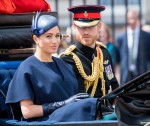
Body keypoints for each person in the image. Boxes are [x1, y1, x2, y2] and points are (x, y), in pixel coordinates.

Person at [5, 12, 101, 122]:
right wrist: (62, 104)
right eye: (48, 36)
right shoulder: (27, 68)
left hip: (70, 118)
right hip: (45, 121)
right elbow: (27, 112)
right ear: (36, 39)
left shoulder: (64, 65)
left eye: (57, 36)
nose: (55, 41)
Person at [60, 5, 119, 100]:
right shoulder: (67, 59)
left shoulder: (104, 52)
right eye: (82, 27)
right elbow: (77, 98)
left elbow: (113, 83)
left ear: (99, 27)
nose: (86, 32)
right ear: (74, 27)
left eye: (91, 27)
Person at [116, 9, 150, 85]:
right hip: (126, 76)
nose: (132, 21)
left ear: (138, 19)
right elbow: (118, 58)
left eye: (134, 18)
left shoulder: (147, 36)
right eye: (130, 18)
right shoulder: (120, 37)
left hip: (142, 74)